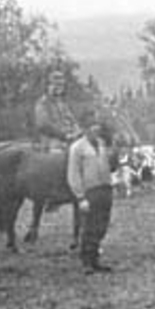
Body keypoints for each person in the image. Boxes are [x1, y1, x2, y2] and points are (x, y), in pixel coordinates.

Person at [68, 113, 116, 274]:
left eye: (97, 125)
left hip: (105, 189)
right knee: (89, 227)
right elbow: (73, 174)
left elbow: (109, 166)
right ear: (84, 129)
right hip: (90, 192)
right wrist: (80, 197)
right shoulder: (77, 148)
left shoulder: (102, 144)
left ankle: (96, 259)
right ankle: (86, 261)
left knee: (101, 226)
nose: (96, 129)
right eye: (91, 126)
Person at [33, 70, 81, 151]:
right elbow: (44, 125)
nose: (59, 88)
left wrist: (77, 131)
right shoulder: (43, 103)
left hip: (68, 142)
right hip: (52, 144)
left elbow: (72, 120)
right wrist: (64, 135)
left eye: (61, 85)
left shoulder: (63, 104)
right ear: (48, 86)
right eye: (56, 85)